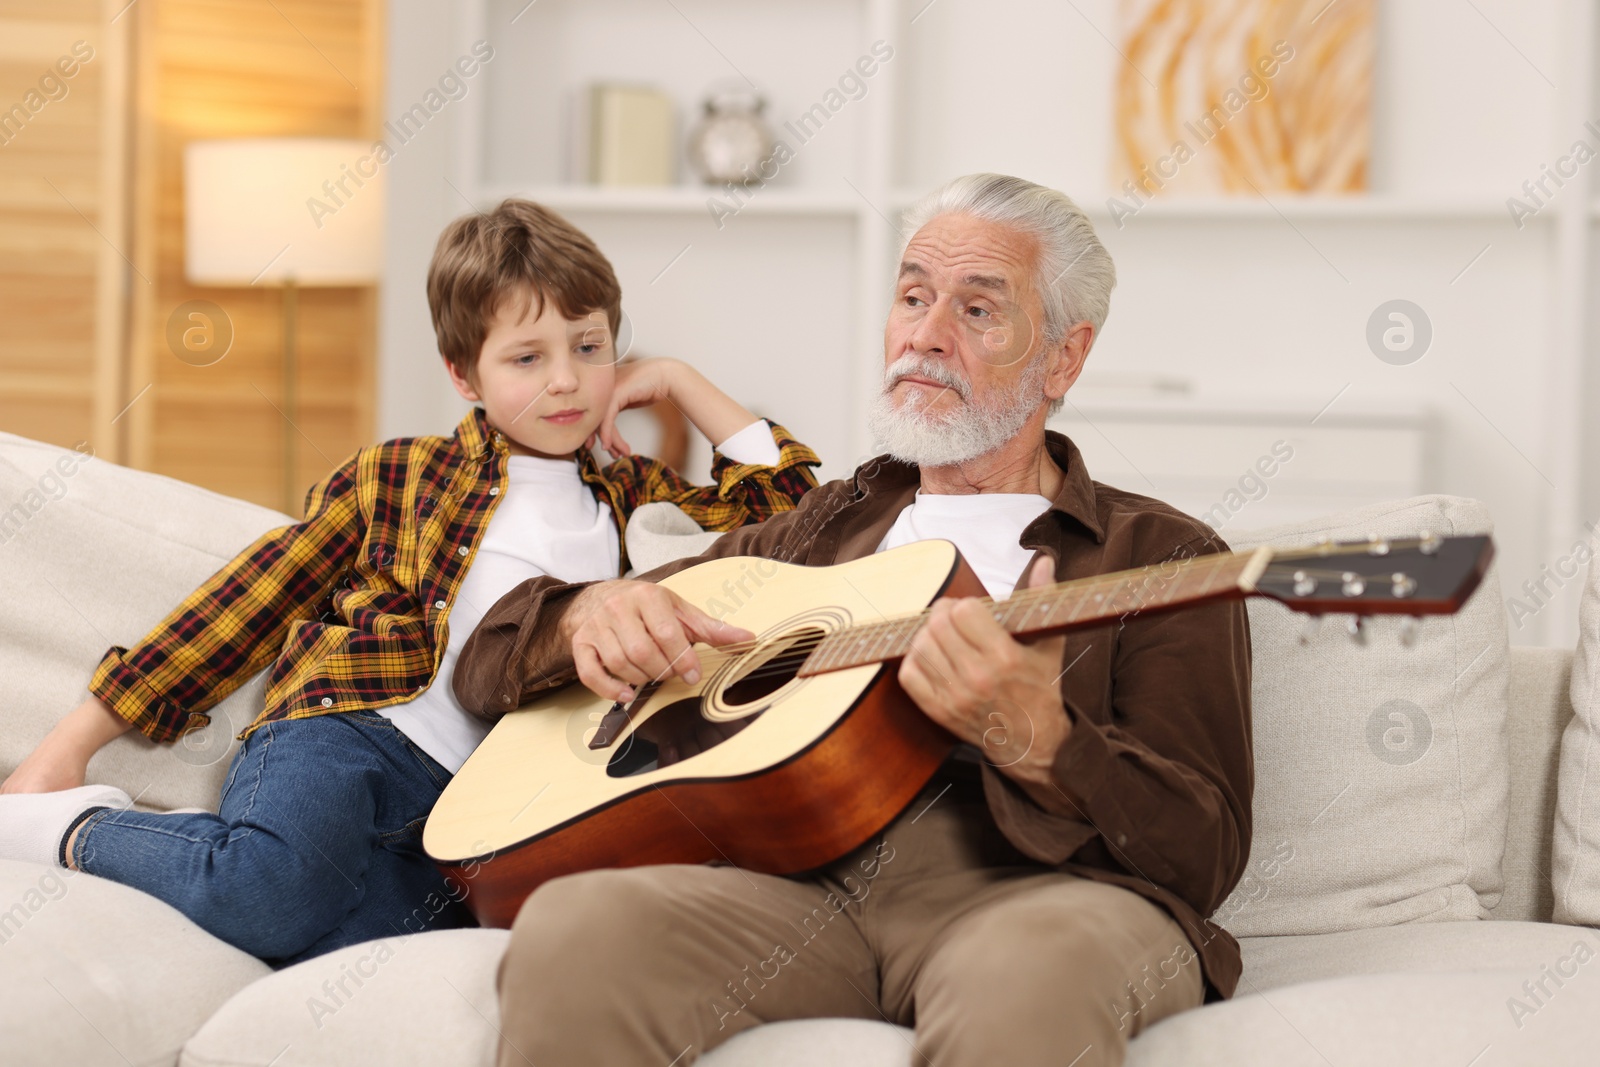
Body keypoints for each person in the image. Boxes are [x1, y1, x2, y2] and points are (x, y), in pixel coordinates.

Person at [452, 174, 1253, 1067]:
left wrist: (1050, 743)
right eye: (913, 297)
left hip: (1033, 891)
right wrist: (594, 611)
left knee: (1028, 976)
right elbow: (486, 659)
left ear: (1064, 359)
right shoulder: (828, 524)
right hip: (792, 878)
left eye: (978, 311)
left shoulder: (1164, 555)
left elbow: (1205, 849)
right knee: (577, 925)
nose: (925, 335)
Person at [0, 198, 820, 967]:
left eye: (589, 345)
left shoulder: (633, 497)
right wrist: (70, 743)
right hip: (350, 731)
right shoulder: (400, 476)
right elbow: (248, 601)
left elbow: (795, 518)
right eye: (527, 357)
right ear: (465, 375)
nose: (566, 380)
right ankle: (72, 830)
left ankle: (220, 851)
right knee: (270, 896)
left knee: (362, 946)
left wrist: (678, 379)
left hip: (479, 804)